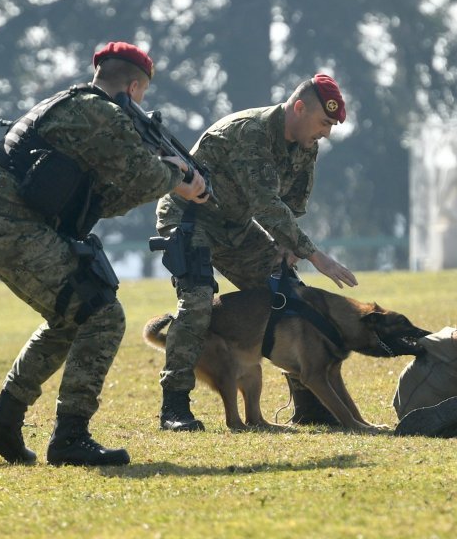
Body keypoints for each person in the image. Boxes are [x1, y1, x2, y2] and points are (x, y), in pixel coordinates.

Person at [0, 42, 209, 466]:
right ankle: (71, 437)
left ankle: (3, 419)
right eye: (142, 95)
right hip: (12, 225)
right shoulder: (101, 113)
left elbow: (101, 197)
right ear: (133, 87)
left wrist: (167, 176)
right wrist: (181, 176)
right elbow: (145, 174)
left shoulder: (76, 106)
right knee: (102, 312)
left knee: (71, 318)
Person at [153, 74, 357, 432]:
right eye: (324, 123)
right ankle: (175, 406)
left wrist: (286, 247)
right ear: (299, 108)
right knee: (198, 300)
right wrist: (314, 254)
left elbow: (291, 204)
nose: (326, 133)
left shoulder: (306, 145)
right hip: (191, 218)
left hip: (235, 224)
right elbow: (265, 203)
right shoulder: (252, 132)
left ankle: (309, 402)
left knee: (290, 295)